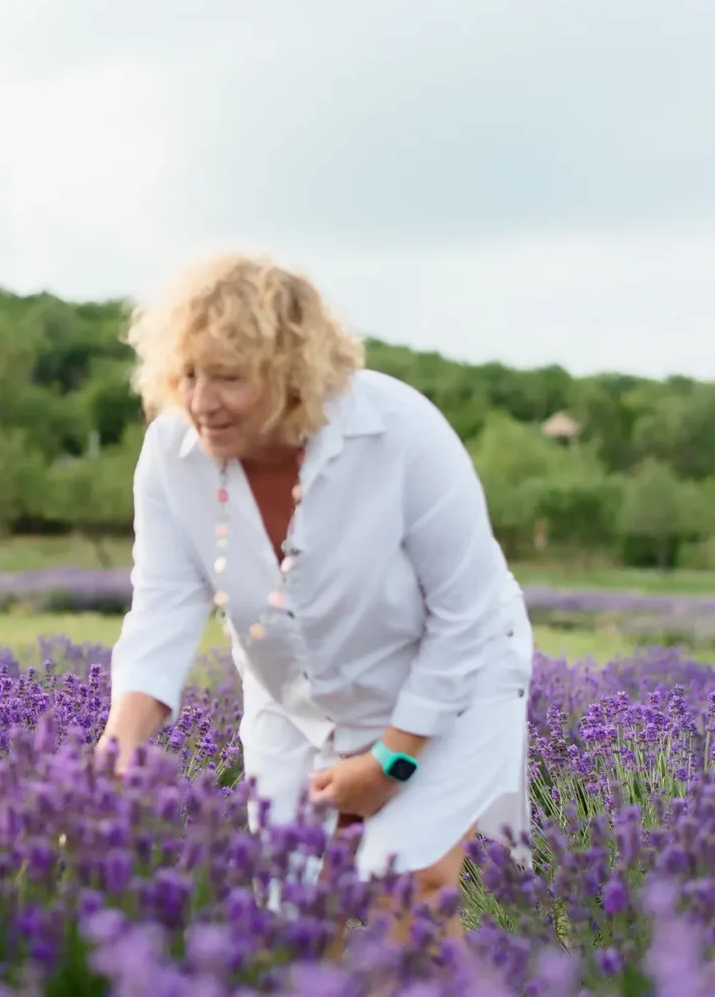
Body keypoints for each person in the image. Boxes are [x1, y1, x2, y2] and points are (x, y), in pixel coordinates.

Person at [95, 253, 533, 944]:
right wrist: (118, 748)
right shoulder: (170, 453)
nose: (202, 400)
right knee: (293, 912)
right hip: (295, 702)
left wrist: (394, 759)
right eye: (187, 375)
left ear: (291, 374)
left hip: (452, 682)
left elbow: (467, 615)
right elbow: (163, 605)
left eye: (229, 377)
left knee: (411, 889)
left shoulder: (400, 432)